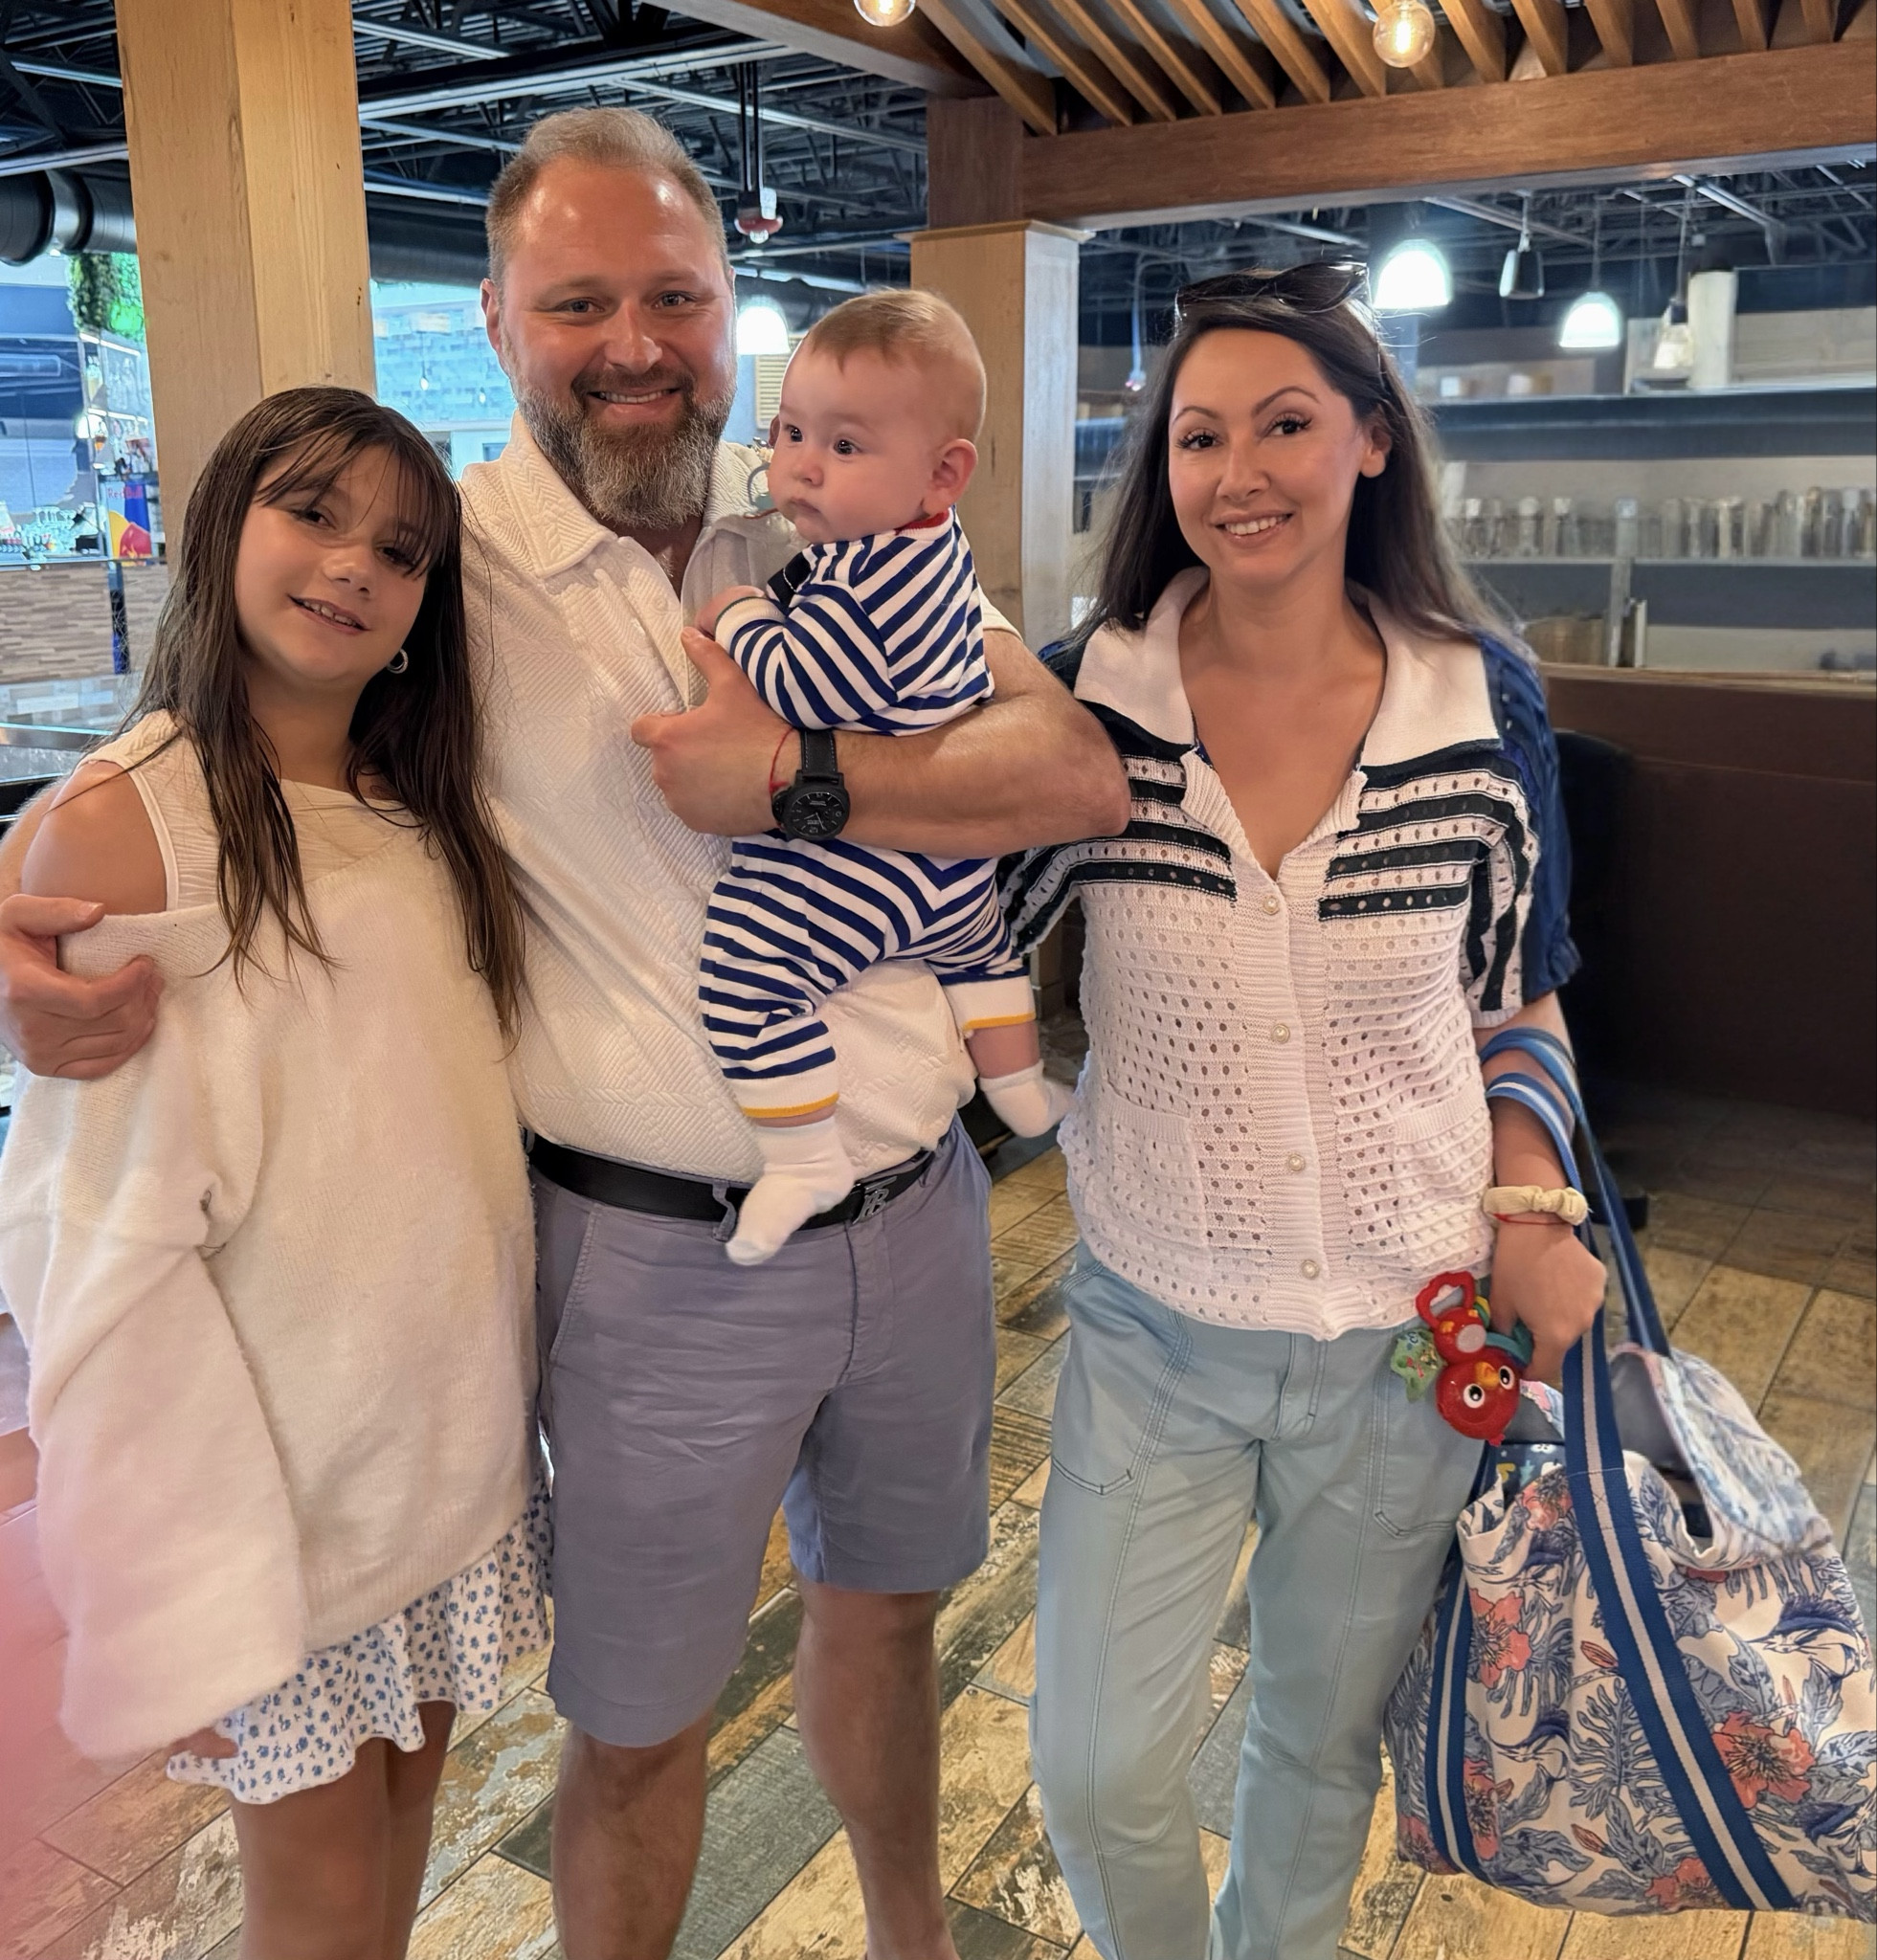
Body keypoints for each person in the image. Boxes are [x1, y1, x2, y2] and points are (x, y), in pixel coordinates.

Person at [0, 109, 1127, 1960]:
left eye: (674, 295)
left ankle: (916, 1936)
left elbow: (1067, 760)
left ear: (730, 308)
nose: (632, 340)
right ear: (503, 320)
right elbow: (219, 758)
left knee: (892, 1612)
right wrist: (22, 899)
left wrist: (800, 773)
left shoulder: (832, 526)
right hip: (650, 1257)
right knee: (638, 1725)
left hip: (920, 1210)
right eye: (577, 299)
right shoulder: (451, 581)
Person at [999, 265, 1608, 1960]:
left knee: (1314, 1737)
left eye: (1284, 422)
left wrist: (1533, 1207)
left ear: (1369, 441)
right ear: (1162, 468)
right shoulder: (1087, 698)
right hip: (1152, 1319)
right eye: (1199, 434)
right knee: (1101, 1757)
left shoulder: (1480, 699)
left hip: (1410, 1334)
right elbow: (961, 927)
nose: (1239, 469)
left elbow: (1520, 985)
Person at [0, 388, 540, 1960]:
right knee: (312, 1907)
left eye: (401, 549)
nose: (354, 566)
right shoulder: (133, 822)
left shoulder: (424, 803)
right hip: (276, 1498)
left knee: (396, 1852)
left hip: (440, 1452)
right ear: (224, 516)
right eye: (314, 513)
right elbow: (86, 1230)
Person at [693, 289, 1073, 1264]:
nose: (800, 466)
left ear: (942, 472)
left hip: (868, 869)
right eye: (788, 433)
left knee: (744, 976)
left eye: (844, 447)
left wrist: (737, 614)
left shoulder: (864, 576)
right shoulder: (925, 546)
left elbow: (803, 680)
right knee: (980, 958)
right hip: (951, 883)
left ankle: (802, 1155)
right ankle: (1018, 1083)